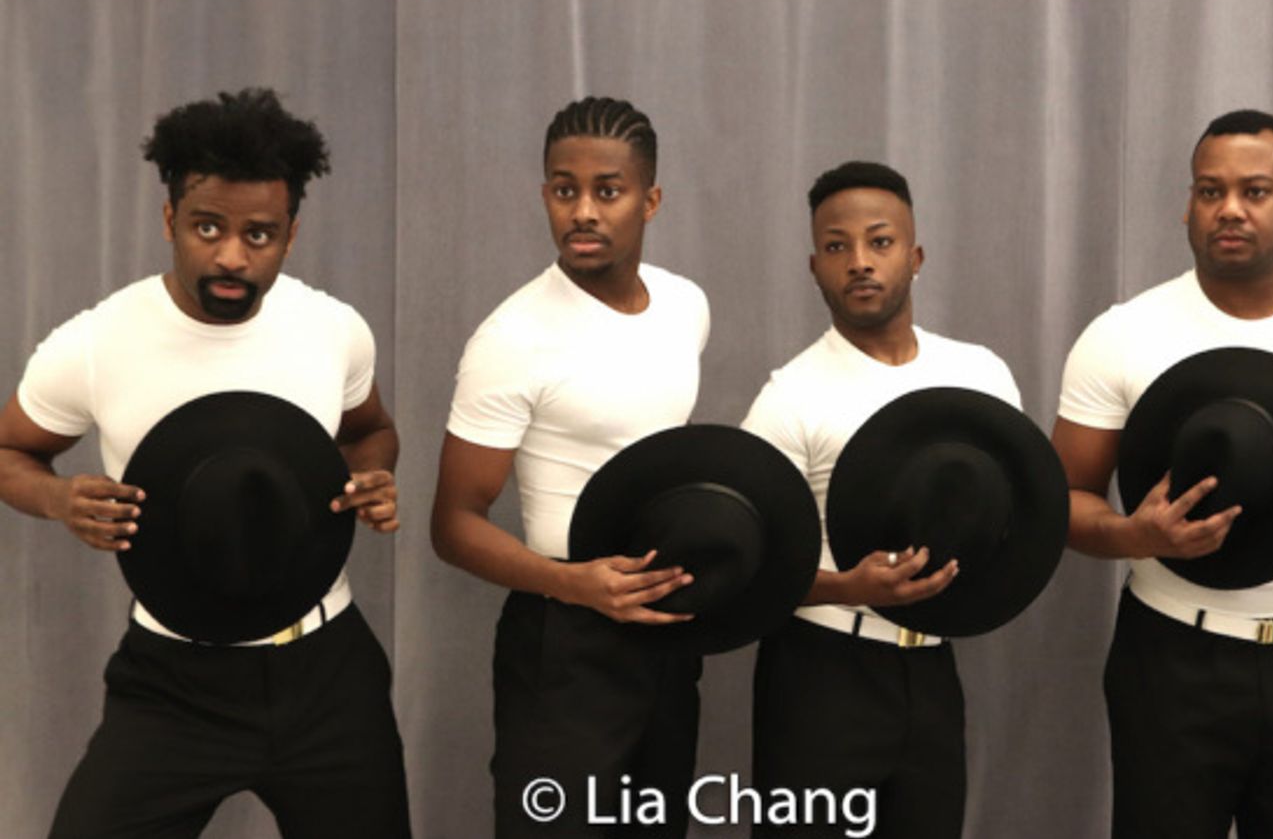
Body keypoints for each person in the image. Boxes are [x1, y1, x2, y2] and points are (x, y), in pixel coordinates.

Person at [0, 88, 410, 839]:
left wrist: (372, 479)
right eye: (208, 227)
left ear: (290, 233)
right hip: (174, 680)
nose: (230, 254)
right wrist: (60, 498)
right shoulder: (96, 342)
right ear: (170, 221)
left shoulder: (332, 329)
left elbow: (372, 430)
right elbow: (9, 451)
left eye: (259, 234)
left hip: (327, 671)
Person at [1052, 109, 1273, 838]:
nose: (1230, 209)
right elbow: (1061, 505)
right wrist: (1135, 534)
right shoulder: (1122, 335)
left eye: (1255, 190)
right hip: (1173, 661)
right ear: (1189, 204)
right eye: (1210, 191)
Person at [430, 96, 709, 838]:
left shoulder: (686, 306)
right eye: (564, 189)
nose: (582, 211)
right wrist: (570, 583)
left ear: (649, 200)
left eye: (607, 191)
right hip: (563, 637)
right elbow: (453, 524)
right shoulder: (512, 337)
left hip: (667, 627)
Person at [741, 161, 1021, 838]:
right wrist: (846, 584)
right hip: (821, 674)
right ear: (814, 267)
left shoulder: (978, 374)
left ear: (916, 254)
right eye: (837, 247)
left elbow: (1016, 513)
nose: (860, 262)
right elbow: (746, 567)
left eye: (880, 241)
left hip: (930, 667)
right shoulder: (790, 394)